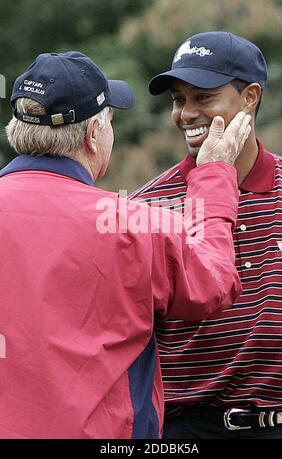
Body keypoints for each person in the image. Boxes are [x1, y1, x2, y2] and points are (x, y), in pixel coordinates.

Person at [0, 51, 248, 439]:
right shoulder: (132, 223)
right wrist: (215, 175)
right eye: (110, 121)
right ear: (93, 135)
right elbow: (214, 282)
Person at [130, 31, 282, 439]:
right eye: (178, 99)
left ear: (250, 97)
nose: (185, 114)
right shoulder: (145, 207)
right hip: (183, 429)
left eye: (202, 97)